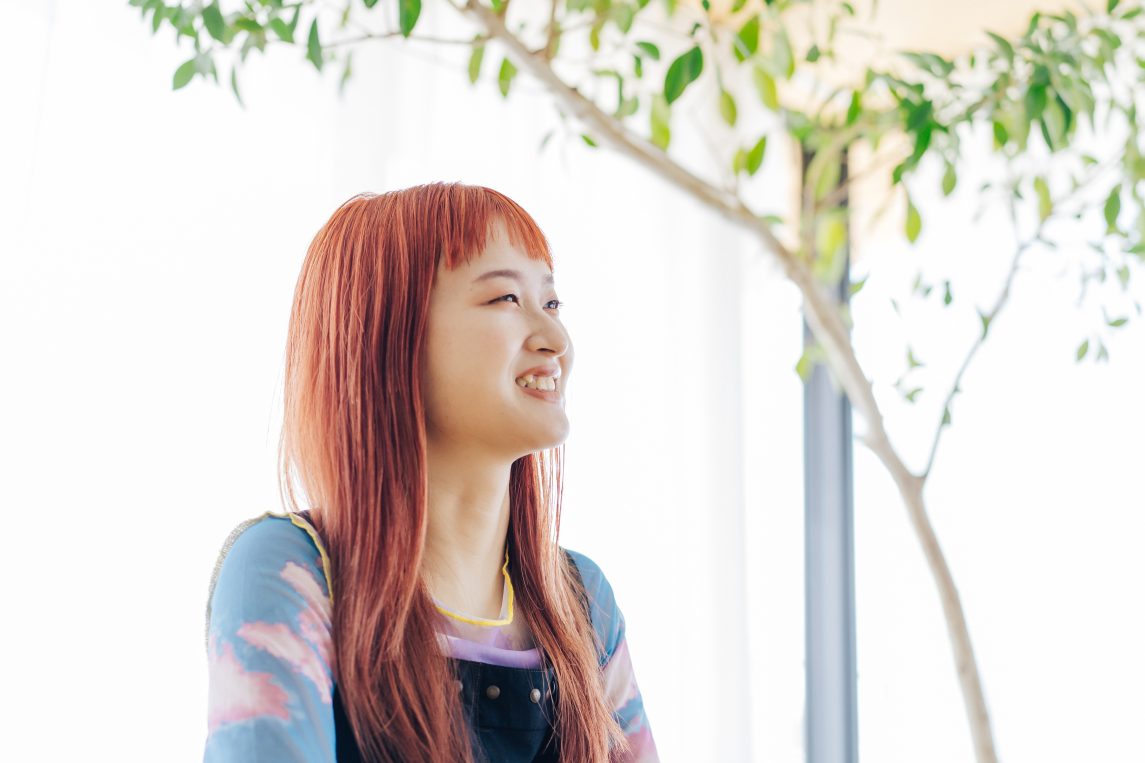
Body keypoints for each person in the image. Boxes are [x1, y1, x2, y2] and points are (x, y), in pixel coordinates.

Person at [203, 183, 659, 762]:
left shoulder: (582, 601)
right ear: (387, 337)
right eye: (505, 299)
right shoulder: (290, 570)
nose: (556, 341)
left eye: (551, 304)